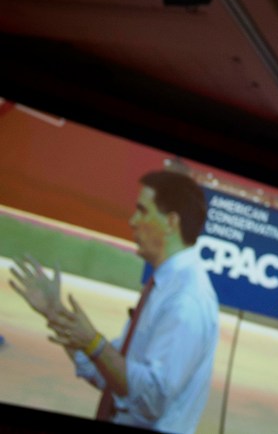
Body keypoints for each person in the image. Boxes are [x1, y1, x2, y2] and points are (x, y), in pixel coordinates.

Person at [9, 170, 218, 434]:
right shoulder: (165, 288)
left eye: (142, 211)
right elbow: (109, 376)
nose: (132, 221)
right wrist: (55, 313)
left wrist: (94, 343)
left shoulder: (186, 299)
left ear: (171, 222)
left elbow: (151, 400)